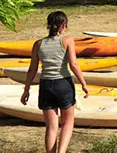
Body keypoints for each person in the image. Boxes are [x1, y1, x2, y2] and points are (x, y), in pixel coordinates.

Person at [21, 11, 90, 153]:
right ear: (64, 26)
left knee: (51, 126)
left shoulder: (38, 44)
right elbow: (74, 65)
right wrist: (83, 83)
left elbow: (32, 69)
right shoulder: (67, 41)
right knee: (67, 122)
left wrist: (26, 89)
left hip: (46, 86)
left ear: (48, 25)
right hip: (63, 84)